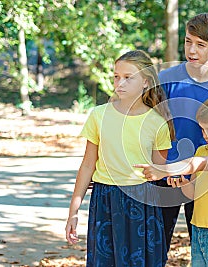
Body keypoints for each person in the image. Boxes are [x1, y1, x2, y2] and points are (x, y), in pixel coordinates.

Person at [65, 50, 174, 267]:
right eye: (116, 76)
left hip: (142, 202)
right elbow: (87, 165)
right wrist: (73, 212)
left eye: (128, 77)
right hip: (105, 199)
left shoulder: (157, 122)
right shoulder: (98, 115)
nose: (119, 83)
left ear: (145, 81)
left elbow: (158, 172)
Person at [135, 94, 208, 266]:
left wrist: (163, 170)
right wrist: (184, 185)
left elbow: (198, 164)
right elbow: (193, 193)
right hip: (198, 228)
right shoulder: (201, 150)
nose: (205, 135)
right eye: (202, 129)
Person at [157, 12, 208, 251]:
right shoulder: (165, 79)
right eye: (188, 41)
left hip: (204, 178)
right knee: (156, 247)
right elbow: (150, 126)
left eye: (200, 45)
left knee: (203, 247)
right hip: (165, 173)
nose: (192, 50)